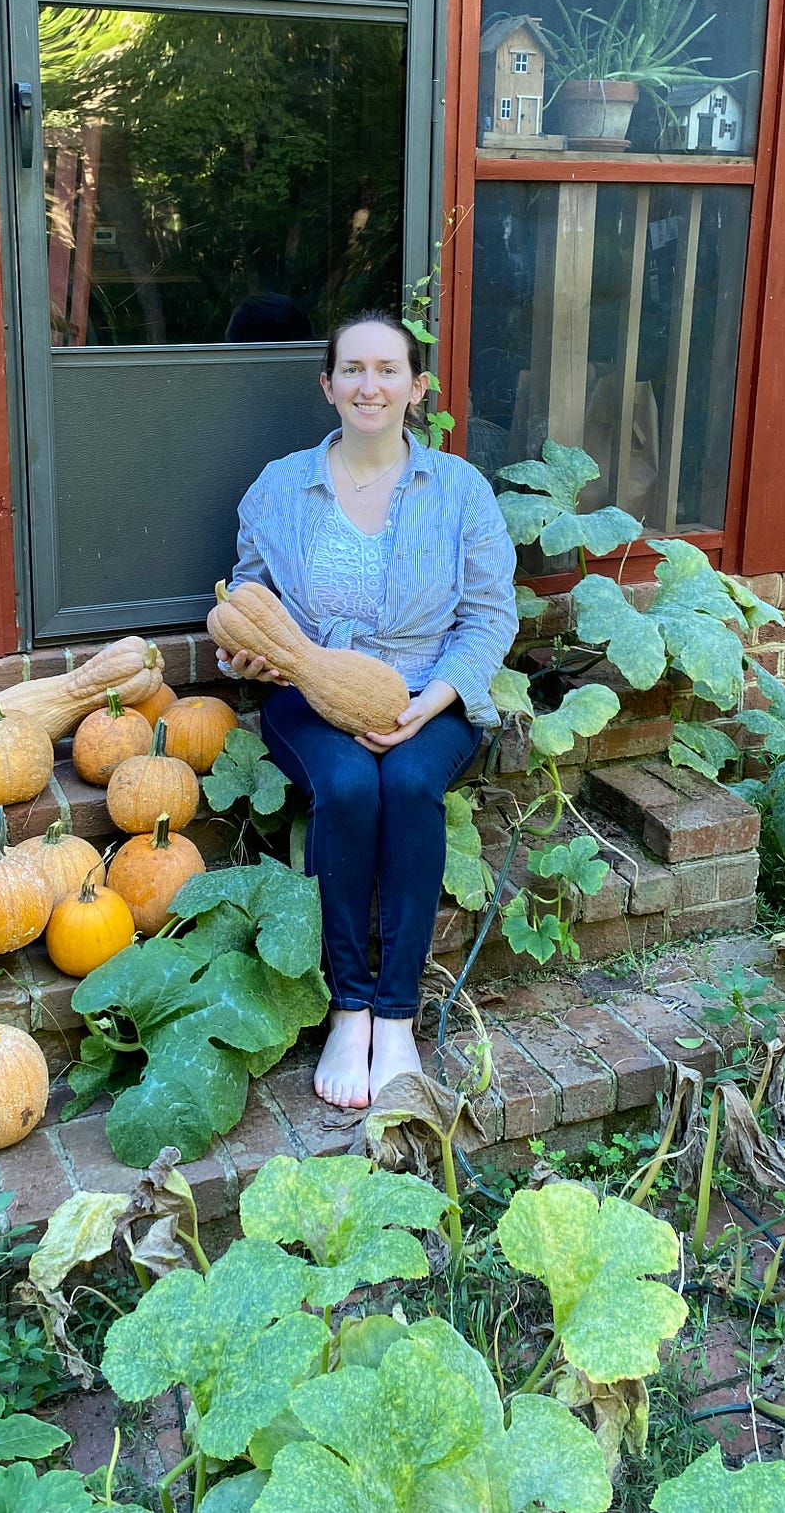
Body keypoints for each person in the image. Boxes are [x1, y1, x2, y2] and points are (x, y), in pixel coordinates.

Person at [218, 311, 518, 1108]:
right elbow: (250, 603)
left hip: (432, 691)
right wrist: (249, 657)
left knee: (409, 783)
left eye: (388, 369)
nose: (369, 384)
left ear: (417, 387)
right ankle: (351, 1005)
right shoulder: (279, 486)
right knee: (349, 786)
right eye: (352, 368)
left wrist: (430, 704)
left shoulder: (458, 489)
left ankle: (399, 1014)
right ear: (328, 384)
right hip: (308, 694)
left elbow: (490, 616)